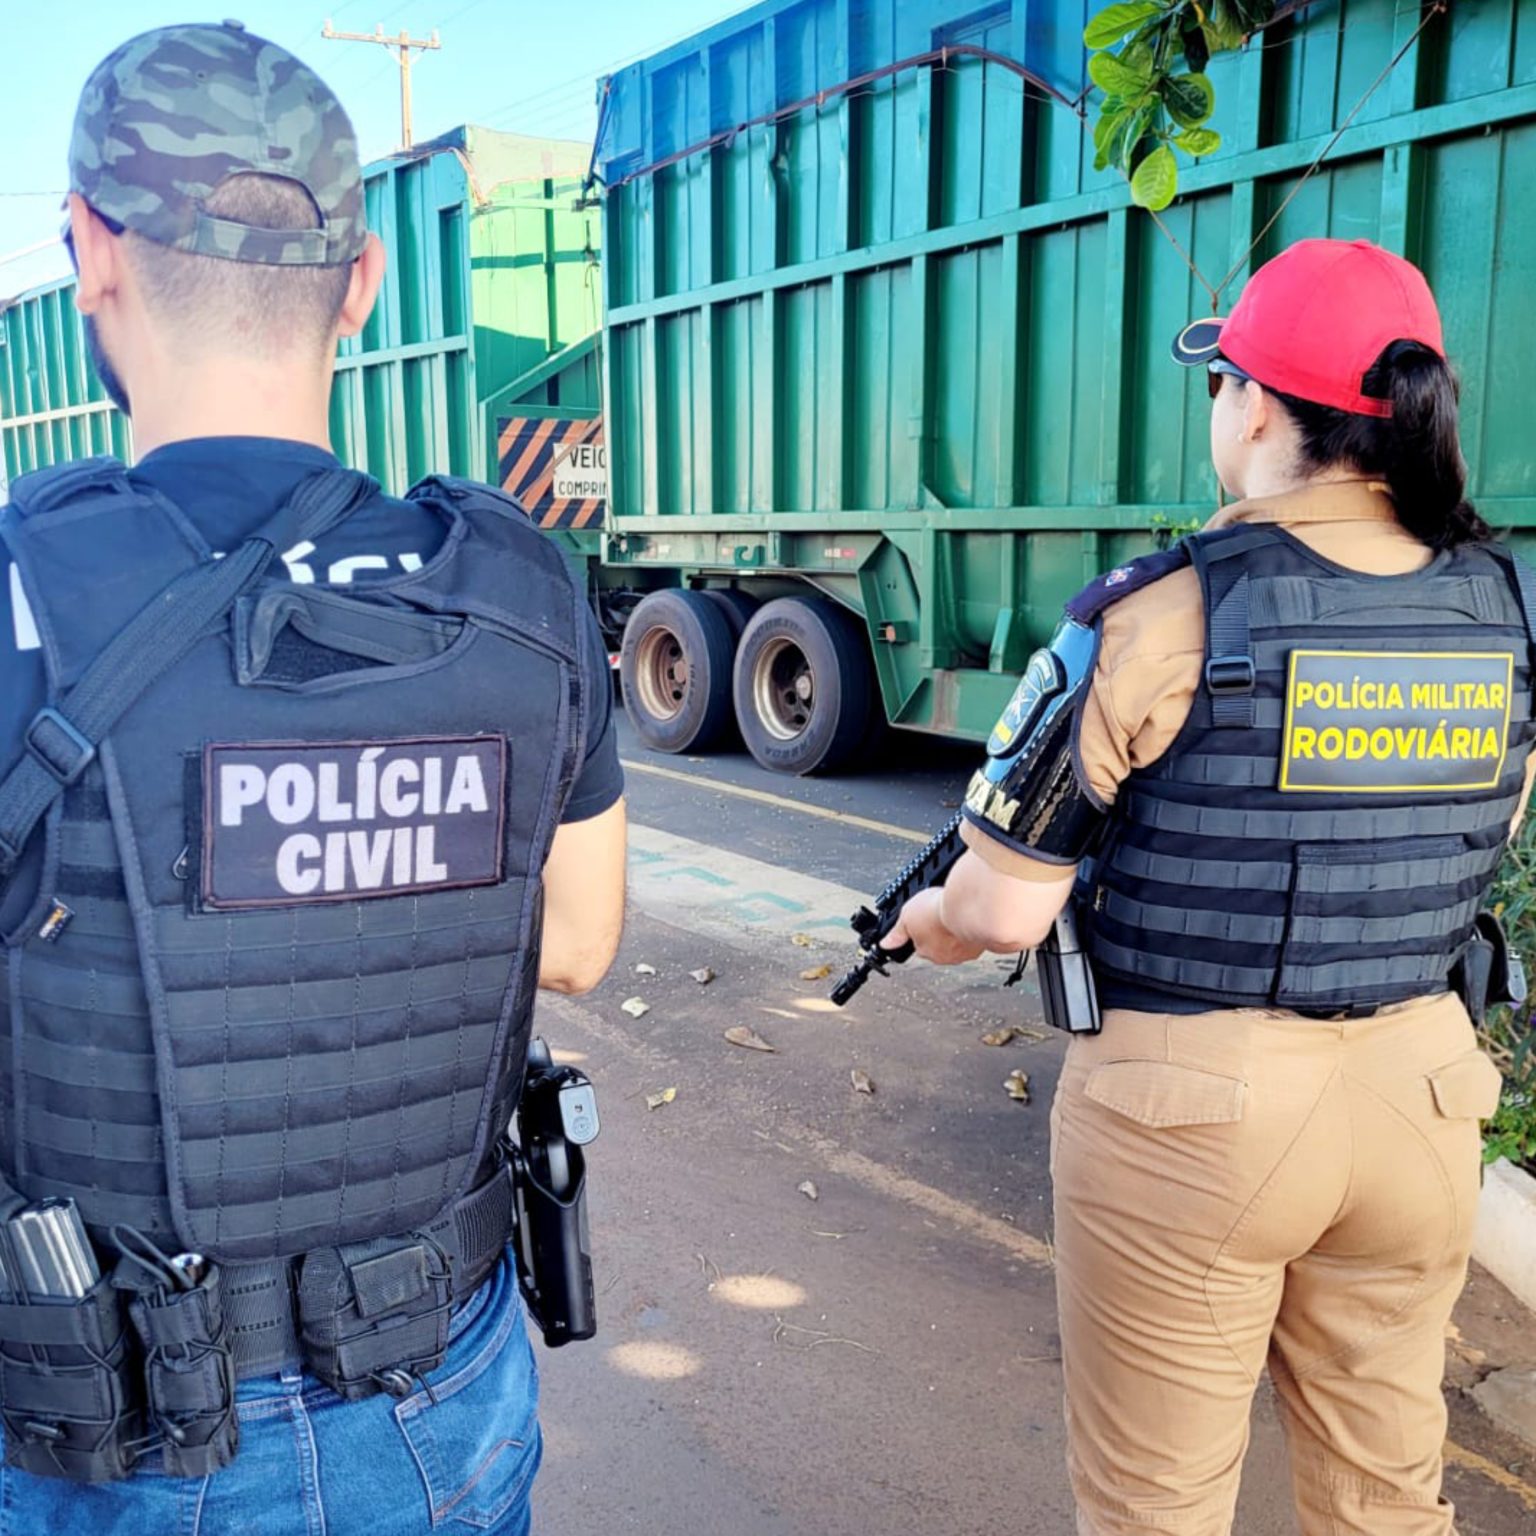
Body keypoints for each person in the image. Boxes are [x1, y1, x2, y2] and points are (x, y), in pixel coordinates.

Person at [0, 22, 625, 1535]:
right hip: (447, 1395)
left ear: (90, 251)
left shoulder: (20, 586)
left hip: (117, 1441)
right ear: (362, 280)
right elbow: (585, 944)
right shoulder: (520, 587)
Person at [888, 238, 1530, 1535]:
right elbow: (1484, 827)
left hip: (1193, 1117)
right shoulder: (1498, 604)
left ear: (1252, 405)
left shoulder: (1160, 613)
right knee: (1389, 1499)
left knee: (1157, 1508)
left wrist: (931, 924)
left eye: (1221, 385)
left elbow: (1006, 906)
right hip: (1424, 1096)